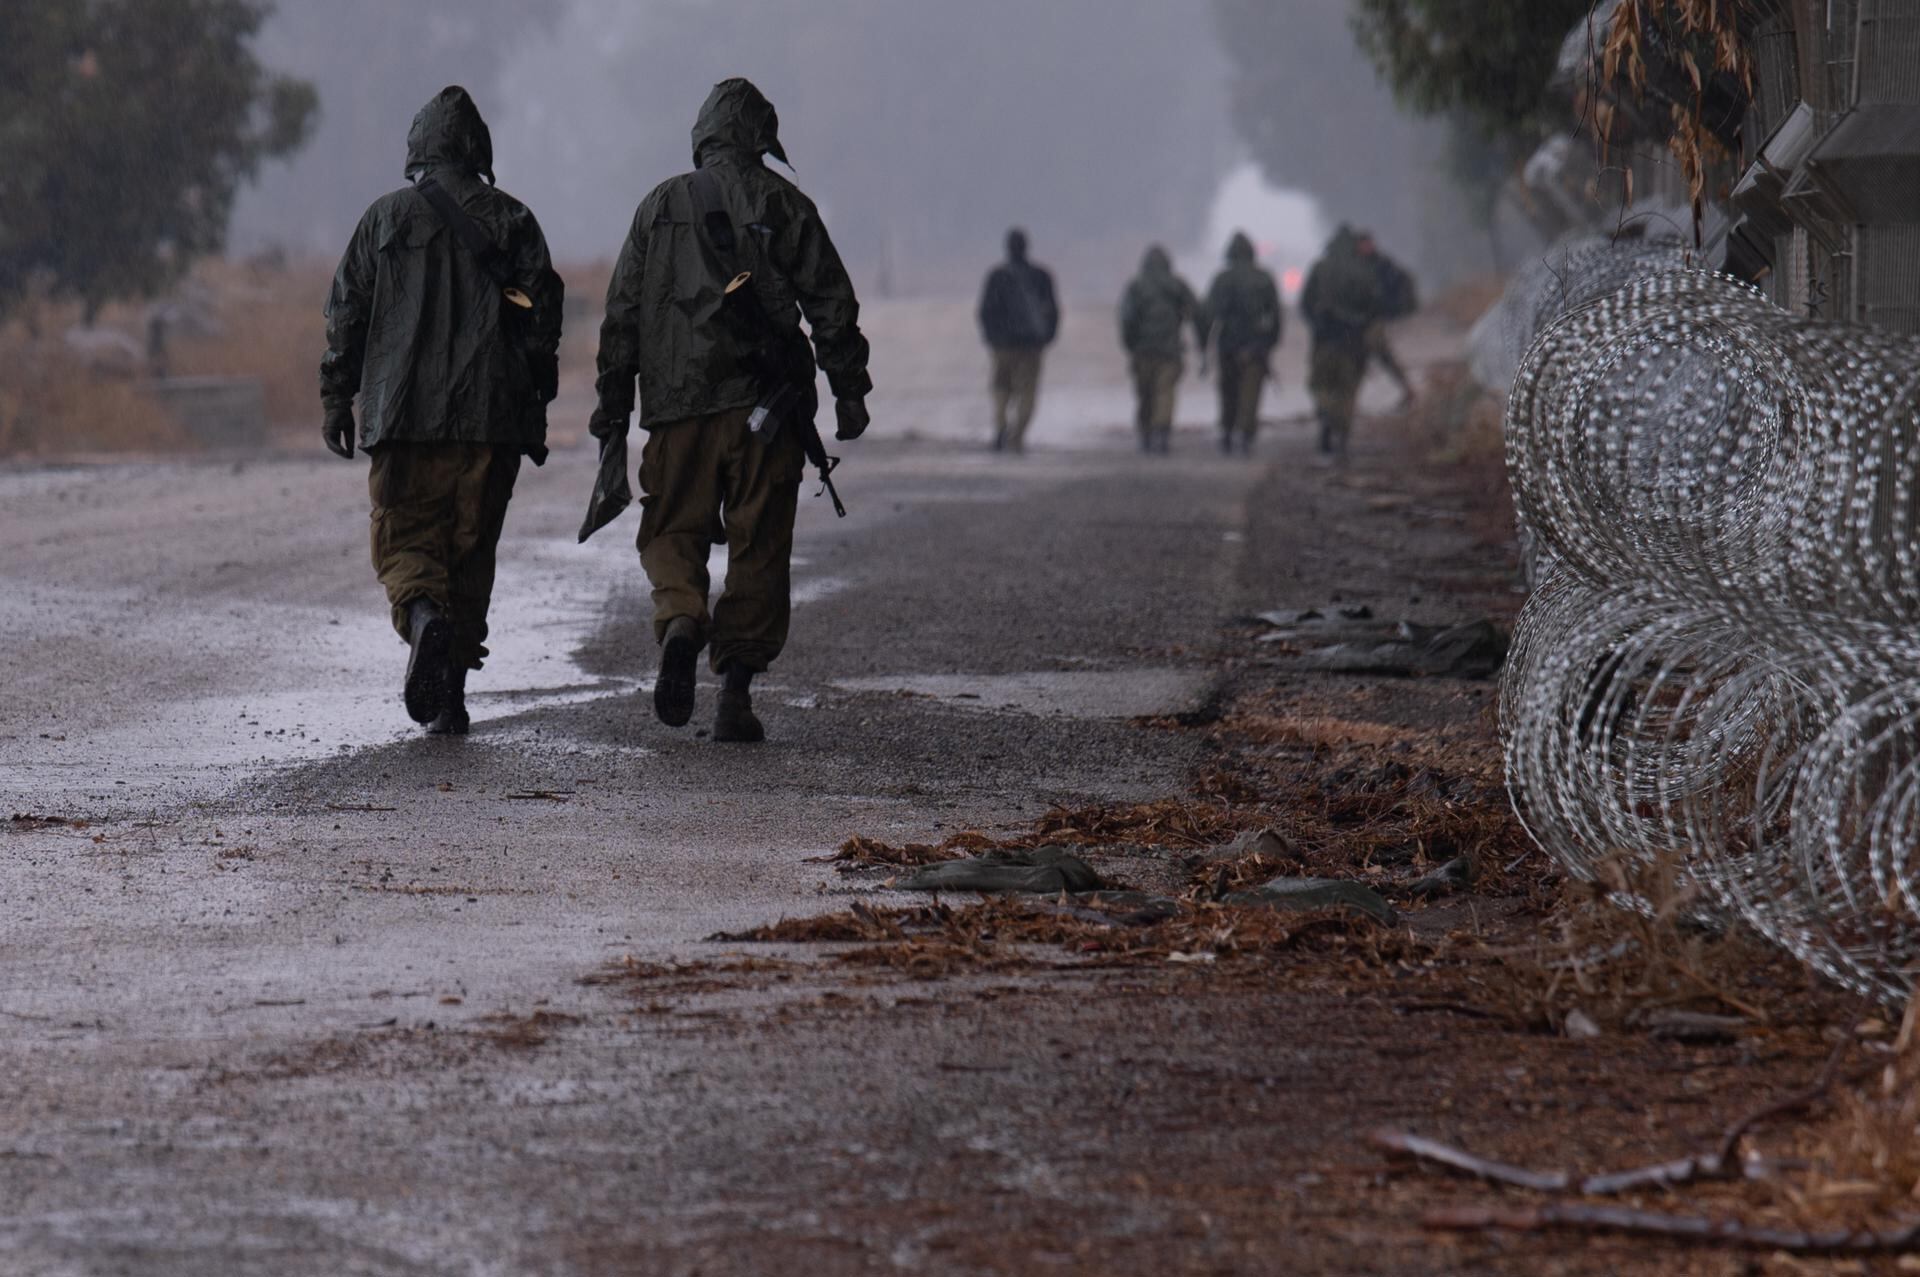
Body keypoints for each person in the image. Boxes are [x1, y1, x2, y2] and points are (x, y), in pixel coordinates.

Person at [589, 77, 871, 744]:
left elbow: (621, 317)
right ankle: (735, 696)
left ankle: (683, 618)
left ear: (703, 135)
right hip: (764, 411)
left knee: (671, 530)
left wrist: (612, 411)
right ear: (761, 139)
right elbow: (832, 303)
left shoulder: (657, 207)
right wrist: (850, 391)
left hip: (677, 411)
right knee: (760, 545)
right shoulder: (786, 202)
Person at [320, 86, 563, 735]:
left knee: (406, 540)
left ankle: (423, 617)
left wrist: (335, 399)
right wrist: (536, 394)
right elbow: (542, 316)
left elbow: (346, 314)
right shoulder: (513, 220)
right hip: (490, 419)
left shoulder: (383, 220)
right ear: (478, 149)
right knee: (471, 547)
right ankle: (450, 693)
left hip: (401, 416)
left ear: (418, 152)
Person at [1300, 225, 1384, 460]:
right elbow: (1375, 307)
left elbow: (1305, 303)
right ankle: (1342, 435)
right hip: (1354, 343)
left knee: (1319, 385)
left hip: (1324, 340)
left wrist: (1317, 324)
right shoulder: (1364, 271)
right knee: (1348, 390)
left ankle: (1327, 416)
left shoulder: (1320, 269)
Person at [1198, 231, 1282, 455]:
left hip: (1228, 344)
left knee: (1228, 391)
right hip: (1255, 345)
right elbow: (1275, 314)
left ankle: (1227, 431)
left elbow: (1207, 315)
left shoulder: (1222, 279)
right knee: (1250, 392)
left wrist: (1204, 346)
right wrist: (1270, 341)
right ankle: (1245, 433)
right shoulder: (1264, 278)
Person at [976, 228, 1059, 453]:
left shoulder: (997, 277)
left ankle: (1001, 424)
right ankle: (1017, 435)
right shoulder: (1041, 276)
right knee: (1028, 392)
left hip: (1002, 346)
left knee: (1000, 388)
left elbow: (985, 311)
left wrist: (991, 338)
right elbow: (1053, 310)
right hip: (1031, 346)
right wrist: (1047, 338)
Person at [1118, 245, 1201, 454]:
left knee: (1144, 394)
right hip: (1170, 350)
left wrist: (1130, 345)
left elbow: (1126, 319)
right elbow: (1196, 312)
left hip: (1142, 350)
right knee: (1165, 392)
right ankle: (1161, 432)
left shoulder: (1136, 286)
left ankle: (1146, 434)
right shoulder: (1177, 285)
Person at [1356, 230, 1418, 409]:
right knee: (1365, 359)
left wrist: (1395, 308)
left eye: (1367, 243)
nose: (1366, 247)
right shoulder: (1356, 266)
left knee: (1379, 355)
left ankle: (1408, 390)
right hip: (1360, 320)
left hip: (1374, 319)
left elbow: (1400, 282)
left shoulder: (1381, 264)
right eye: (1363, 244)